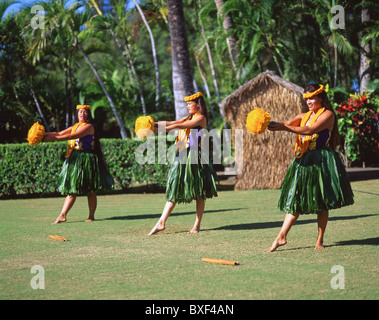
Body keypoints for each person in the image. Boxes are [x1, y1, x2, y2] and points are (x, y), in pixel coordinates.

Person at [266, 84, 354, 252]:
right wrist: (267, 124)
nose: (309, 102)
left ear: (321, 98)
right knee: (295, 198)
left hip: (321, 161)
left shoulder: (328, 115)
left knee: (321, 202)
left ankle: (319, 240)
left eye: (312, 98)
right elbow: (283, 124)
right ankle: (282, 235)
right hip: (304, 160)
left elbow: (310, 130)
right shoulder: (304, 115)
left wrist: (284, 127)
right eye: (307, 99)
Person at [148, 92, 218, 235]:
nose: (187, 106)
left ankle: (196, 226)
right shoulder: (189, 117)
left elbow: (179, 125)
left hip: (195, 157)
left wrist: (157, 129)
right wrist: (152, 124)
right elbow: (171, 123)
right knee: (174, 187)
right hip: (182, 154)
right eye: (186, 104)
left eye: (189, 104)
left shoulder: (200, 118)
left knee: (199, 192)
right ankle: (161, 222)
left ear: (198, 104)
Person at [44, 105, 114, 224]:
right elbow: (59, 133)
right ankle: (62, 215)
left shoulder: (89, 127)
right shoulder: (75, 126)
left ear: (88, 114)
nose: (82, 114)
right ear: (77, 114)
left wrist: (54, 139)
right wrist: (43, 134)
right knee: (72, 188)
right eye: (80, 112)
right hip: (74, 158)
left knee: (91, 189)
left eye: (85, 112)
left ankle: (91, 216)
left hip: (86, 159)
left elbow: (73, 136)